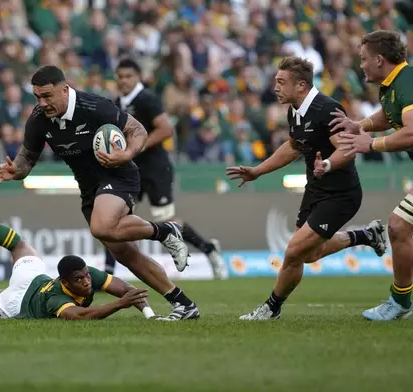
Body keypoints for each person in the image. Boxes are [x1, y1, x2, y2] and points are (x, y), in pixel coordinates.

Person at [0, 65, 198, 320]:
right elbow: (26, 159)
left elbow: (138, 131)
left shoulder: (93, 107)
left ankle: (167, 230)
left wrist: (126, 154)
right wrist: (17, 171)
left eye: (47, 96)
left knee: (101, 226)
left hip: (118, 174)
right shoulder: (38, 120)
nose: (42, 102)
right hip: (89, 188)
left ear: (65, 89)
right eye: (37, 96)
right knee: (127, 254)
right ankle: (184, 304)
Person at [226, 57, 388, 320]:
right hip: (316, 190)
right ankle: (366, 236)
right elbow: (293, 147)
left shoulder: (327, 108)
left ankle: (271, 308)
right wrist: (257, 171)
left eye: (281, 82)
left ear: (301, 85)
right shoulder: (295, 111)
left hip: (341, 194)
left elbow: (347, 149)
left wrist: (326, 163)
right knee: (309, 254)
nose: (275, 87)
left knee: (293, 251)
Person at [0, 188, 151, 320]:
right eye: (79, 279)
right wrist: (120, 304)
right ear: (64, 282)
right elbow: (81, 316)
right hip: (21, 302)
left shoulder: (88, 275)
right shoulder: (57, 300)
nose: (86, 282)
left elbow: (124, 288)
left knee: (19, 245)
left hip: (34, 278)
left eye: (86, 276)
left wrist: (148, 313)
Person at [109, 58, 227, 279]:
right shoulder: (117, 102)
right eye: (120, 76)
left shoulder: (147, 99)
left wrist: (135, 147)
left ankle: (208, 249)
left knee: (167, 221)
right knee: (114, 217)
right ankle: (109, 272)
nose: (123, 81)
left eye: (128, 76)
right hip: (131, 168)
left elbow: (165, 130)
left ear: (138, 77)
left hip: (155, 167)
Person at [331, 30, 413, 321]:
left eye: (364, 59)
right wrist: (359, 125)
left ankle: (401, 301)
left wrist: (372, 144)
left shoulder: (407, 81)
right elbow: (389, 115)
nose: (361, 65)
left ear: (380, 60)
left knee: (399, 226)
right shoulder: (394, 84)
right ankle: (401, 300)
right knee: (400, 227)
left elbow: (412, 131)